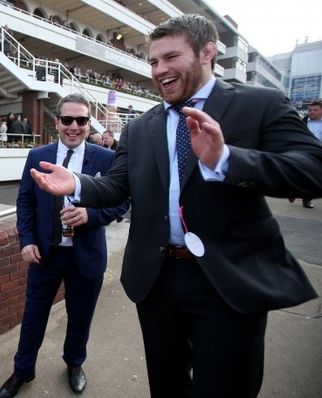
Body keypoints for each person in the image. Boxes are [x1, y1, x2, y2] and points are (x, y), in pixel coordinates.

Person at [29, 14, 322, 398]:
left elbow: (312, 170)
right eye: (153, 61)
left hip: (228, 281)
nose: (159, 70)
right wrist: (80, 183)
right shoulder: (141, 127)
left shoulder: (259, 104)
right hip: (157, 279)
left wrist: (228, 160)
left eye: (171, 58)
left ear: (207, 53)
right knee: (167, 386)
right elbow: (118, 187)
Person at [0, 94, 129, 398]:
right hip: (46, 254)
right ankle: (22, 370)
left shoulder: (106, 158)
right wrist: (26, 240)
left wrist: (91, 214)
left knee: (81, 316)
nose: (74, 126)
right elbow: (26, 201)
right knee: (33, 317)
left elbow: (122, 201)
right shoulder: (37, 156)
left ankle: (74, 364)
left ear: (87, 123)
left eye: (81, 120)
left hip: (87, 255)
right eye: (67, 120)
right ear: (56, 122)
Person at [291, 100, 322, 208]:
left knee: (312, 176)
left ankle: (307, 199)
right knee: (297, 174)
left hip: (318, 153)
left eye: (315, 110)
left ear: (321, 111)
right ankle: (292, 191)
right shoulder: (301, 122)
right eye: (310, 110)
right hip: (302, 151)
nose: (312, 112)